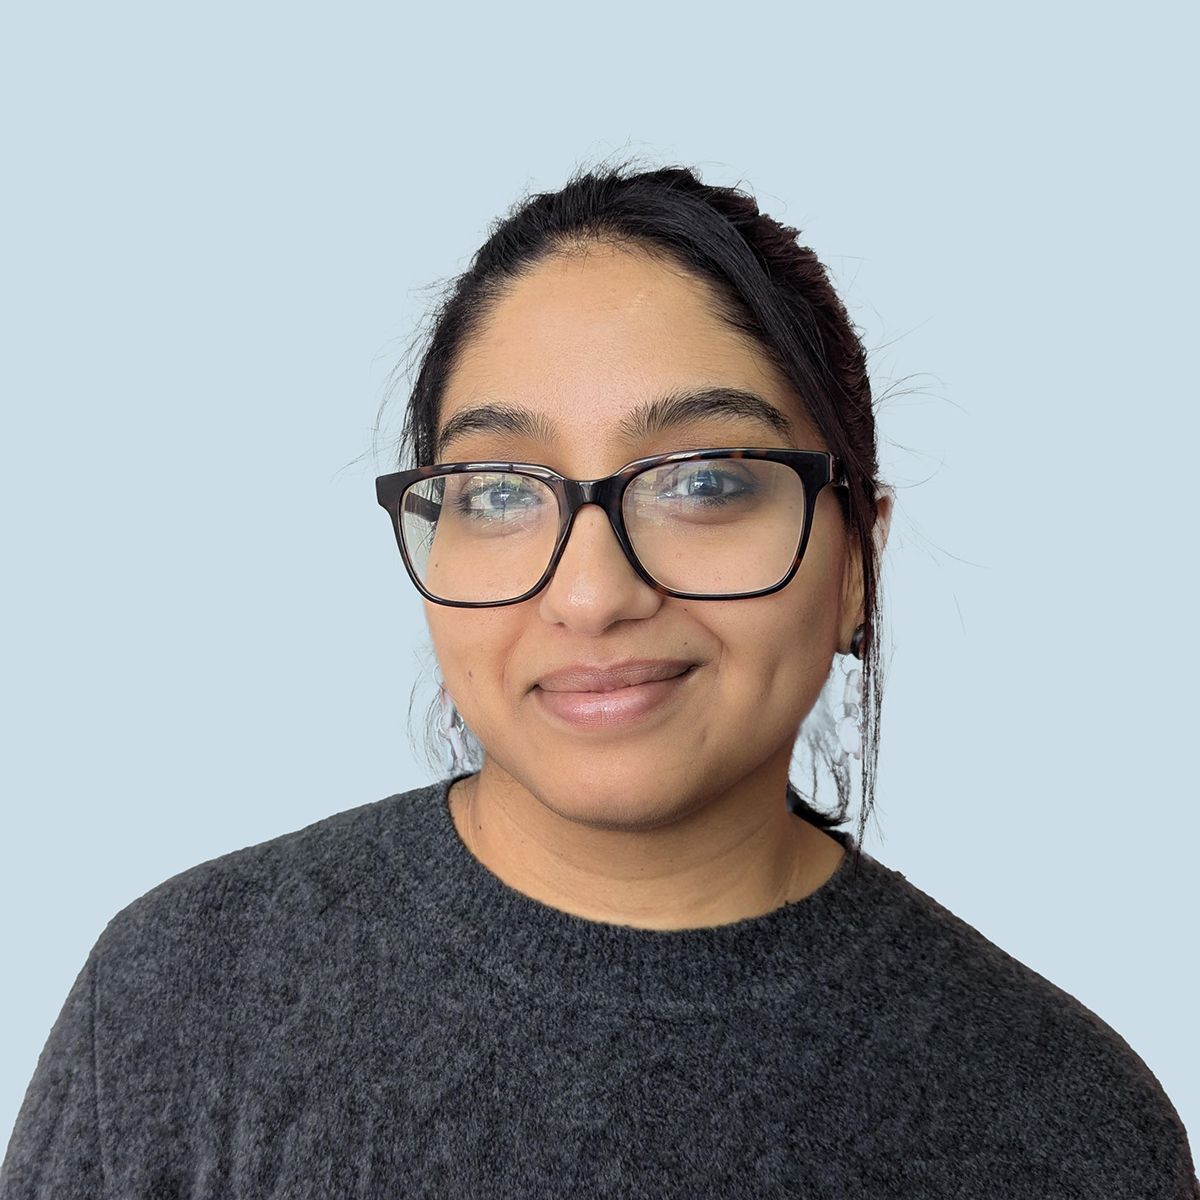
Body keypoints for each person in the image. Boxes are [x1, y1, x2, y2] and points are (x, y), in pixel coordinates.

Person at [2, 159, 1196, 1199]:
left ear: (855, 567)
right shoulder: (186, 995)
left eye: (703, 481)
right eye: (498, 490)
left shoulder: (1068, 1125)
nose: (590, 593)